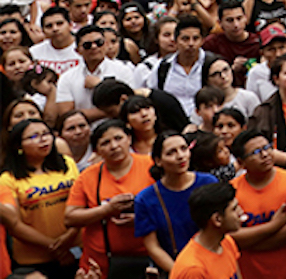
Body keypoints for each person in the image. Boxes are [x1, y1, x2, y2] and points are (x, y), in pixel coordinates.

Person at [65, 119, 153, 274]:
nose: (114, 146)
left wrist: (141, 219)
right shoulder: (88, 176)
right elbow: (70, 218)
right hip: (100, 262)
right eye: (105, 143)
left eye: (118, 138)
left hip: (150, 256)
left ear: (129, 139)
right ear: (97, 151)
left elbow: (173, 206)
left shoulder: (151, 166)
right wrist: (107, 210)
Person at [0, 119, 79, 278]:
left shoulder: (68, 164)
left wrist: (69, 237)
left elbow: (82, 204)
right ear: (18, 146)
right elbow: (14, 225)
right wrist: (55, 247)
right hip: (34, 260)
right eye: (34, 136)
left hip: (75, 247)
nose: (43, 140)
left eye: (46, 134)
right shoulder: (8, 179)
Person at [228, 130, 286, 279]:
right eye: (256, 152)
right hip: (251, 273)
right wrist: (274, 226)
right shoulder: (232, 190)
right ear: (240, 162)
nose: (265, 154)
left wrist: (250, 243)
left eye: (267, 148)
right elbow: (231, 237)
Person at [134, 132, 218, 274]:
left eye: (184, 149)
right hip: (176, 267)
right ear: (158, 161)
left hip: (214, 261)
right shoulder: (146, 199)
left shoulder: (208, 183)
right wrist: (181, 273)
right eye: (171, 152)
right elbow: (153, 246)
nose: (180, 156)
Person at [168, 181, 244, 279]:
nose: (240, 211)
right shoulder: (194, 270)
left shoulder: (227, 241)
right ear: (217, 219)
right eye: (234, 209)